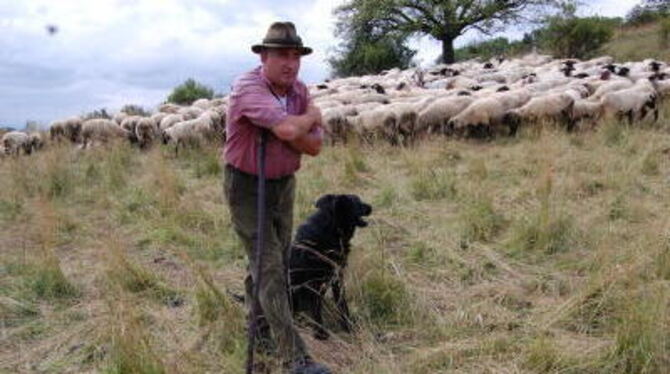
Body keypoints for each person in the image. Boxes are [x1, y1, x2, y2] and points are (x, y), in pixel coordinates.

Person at [222, 21, 331, 374]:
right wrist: (308, 118)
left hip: (284, 183)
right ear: (263, 56)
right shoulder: (247, 87)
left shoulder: (298, 90)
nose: (290, 63)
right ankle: (295, 359)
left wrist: (292, 127)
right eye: (282, 55)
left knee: (273, 263)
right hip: (247, 186)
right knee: (269, 269)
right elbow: (288, 130)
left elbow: (314, 146)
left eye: (296, 55)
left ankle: (260, 330)